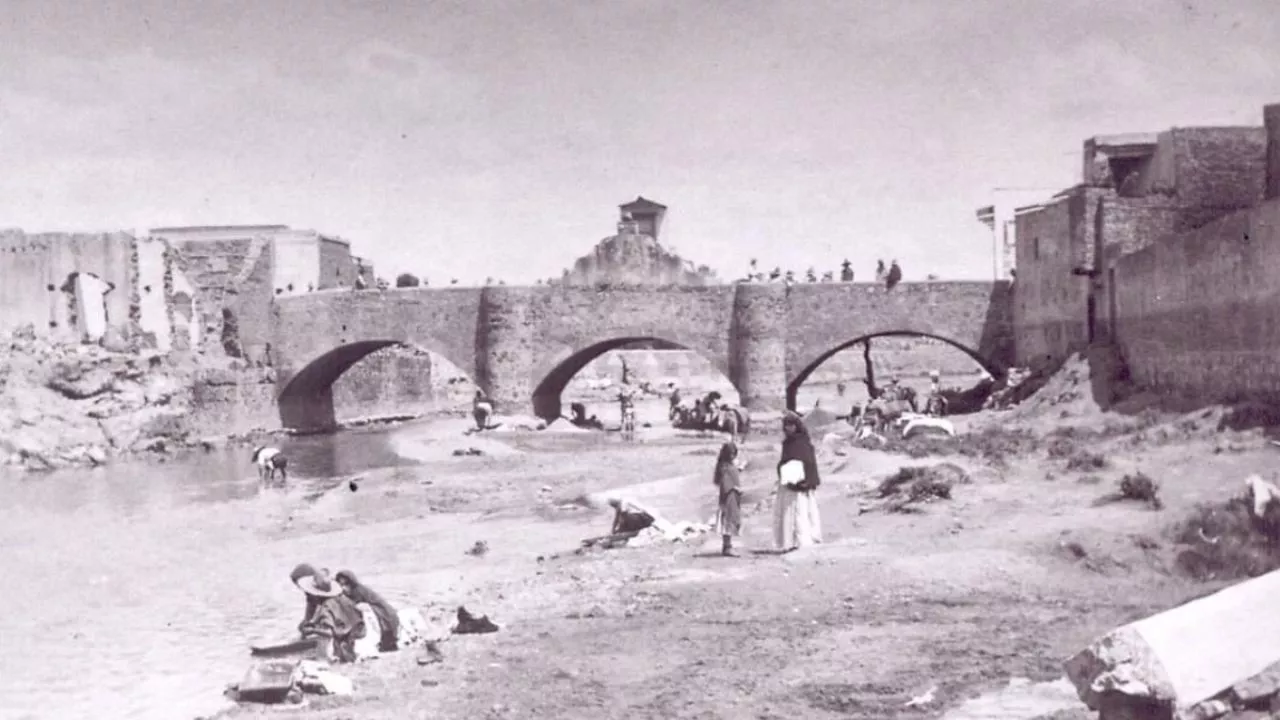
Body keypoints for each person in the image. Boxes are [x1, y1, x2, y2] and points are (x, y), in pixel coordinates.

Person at [773, 411, 823, 552]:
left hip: (802, 485)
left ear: (796, 426)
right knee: (788, 513)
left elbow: (809, 463)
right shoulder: (787, 443)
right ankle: (790, 542)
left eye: (791, 425)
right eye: (786, 426)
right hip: (789, 484)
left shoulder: (803, 442)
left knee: (801, 513)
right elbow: (784, 461)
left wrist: (807, 480)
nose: (788, 428)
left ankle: (803, 541)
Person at [297, 571, 367, 663]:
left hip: (347, 642)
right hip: (361, 636)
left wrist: (312, 630)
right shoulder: (343, 599)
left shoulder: (326, 607)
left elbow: (328, 632)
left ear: (316, 595)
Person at [335, 570, 401, 652]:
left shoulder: (359, 591)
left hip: (382, 611)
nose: (343, 588)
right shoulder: (346, 595)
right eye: (341, 585)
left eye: (346, 584)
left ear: (352, 584)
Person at [713, 442, 747, 557]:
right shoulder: (725, 467)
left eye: (734, 454)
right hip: (728, 498)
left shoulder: (726, 465)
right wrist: (736, 488)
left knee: (731, 520)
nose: (733, 456)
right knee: (728, 521)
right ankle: (727, 547)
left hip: (732, 497)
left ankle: (727, 546)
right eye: (731, 454)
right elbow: (725, 484)